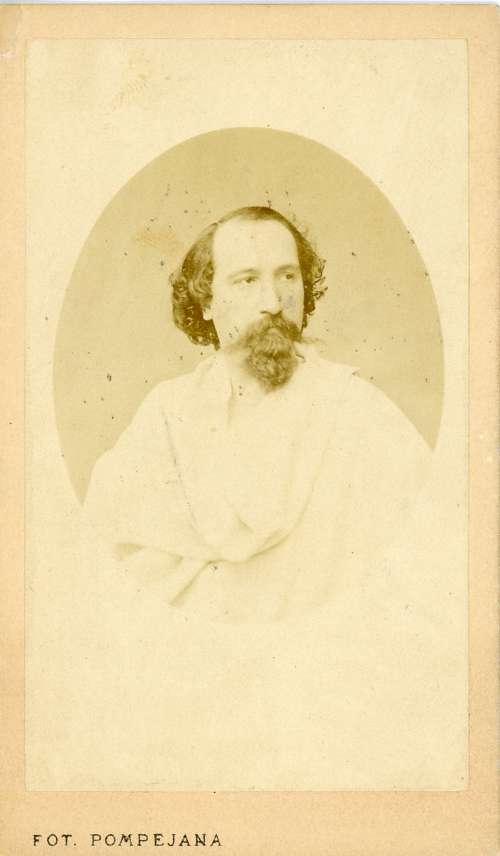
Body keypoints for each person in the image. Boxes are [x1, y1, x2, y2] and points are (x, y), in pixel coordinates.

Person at [82, 206, 430, 623]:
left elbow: (420, 565)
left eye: (288, 276)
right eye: (247, 280)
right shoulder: (166, 414)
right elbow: (107, 560)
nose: (273, 302)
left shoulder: (359, 412)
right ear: (206, 302)